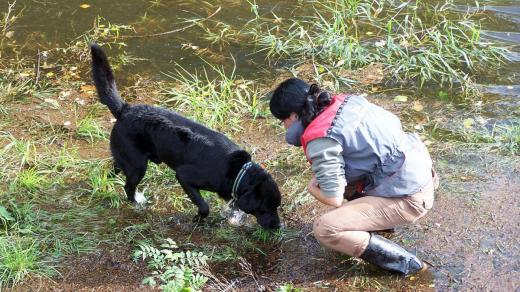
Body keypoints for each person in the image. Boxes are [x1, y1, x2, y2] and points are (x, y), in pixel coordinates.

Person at [269, 78, 439, 276]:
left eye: (283, 121)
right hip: (418, 171)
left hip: (412, 198)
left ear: (294, 115)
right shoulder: (348, 103)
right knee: (345, 176)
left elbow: (333, 198)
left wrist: (313, 188)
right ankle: (382, 225)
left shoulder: (321, 139)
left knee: (325, 229)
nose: (284, 127)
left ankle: (407, 264)